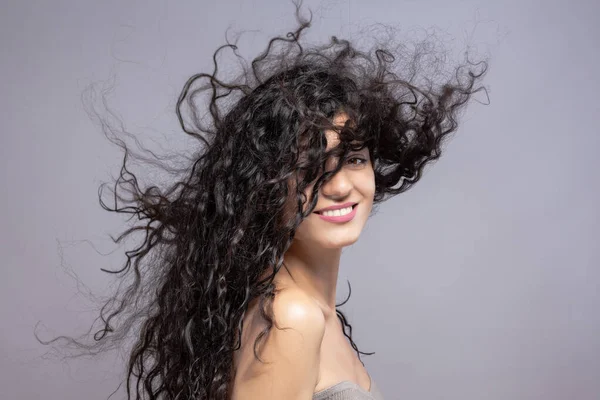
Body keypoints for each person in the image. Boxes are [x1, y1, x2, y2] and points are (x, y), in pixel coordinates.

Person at [38, 2, 488, 399]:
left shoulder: (311, 311)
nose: (338, 186)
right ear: (268, 186)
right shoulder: (292, 319)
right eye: (311, 166)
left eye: (353, 159)